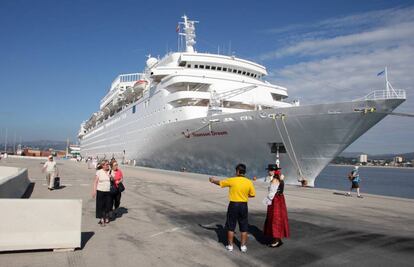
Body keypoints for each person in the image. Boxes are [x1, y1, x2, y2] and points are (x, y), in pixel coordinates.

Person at [209, 163, 256, 253]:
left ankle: (230, 246)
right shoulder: (248, 182)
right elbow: (252, 195)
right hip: (243, 205)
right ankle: (243, 246)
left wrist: (212, 180)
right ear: (244, 172)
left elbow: (220, 183)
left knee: (231, 226)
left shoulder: (232, 180)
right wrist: (244, 195)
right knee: (244, 226)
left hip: (233, 205)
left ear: (237, 171)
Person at [263, 164, 290, 247]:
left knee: (275, 218)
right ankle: (278, 238)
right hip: (280, 199)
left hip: (276, 201)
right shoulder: (280, 178)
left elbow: (272, 193)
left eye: (269, 170)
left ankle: (276, 240)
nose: (268, 172)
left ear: (273, 171)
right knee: (280, 218)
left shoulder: (275, 180)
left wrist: (266, 201)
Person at [92, 160, 112, 226]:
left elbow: (114, 180)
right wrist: (94, 191)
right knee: (100, 206)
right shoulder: (99, 172)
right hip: (100, 191)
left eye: (108, 164)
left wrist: (111, 177)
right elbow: (95, 182)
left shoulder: (110, 171)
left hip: (108, 191)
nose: (108, 165)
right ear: (103, 165)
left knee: (107, 206)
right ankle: (102, 219)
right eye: (106, 164)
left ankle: (106, 216)